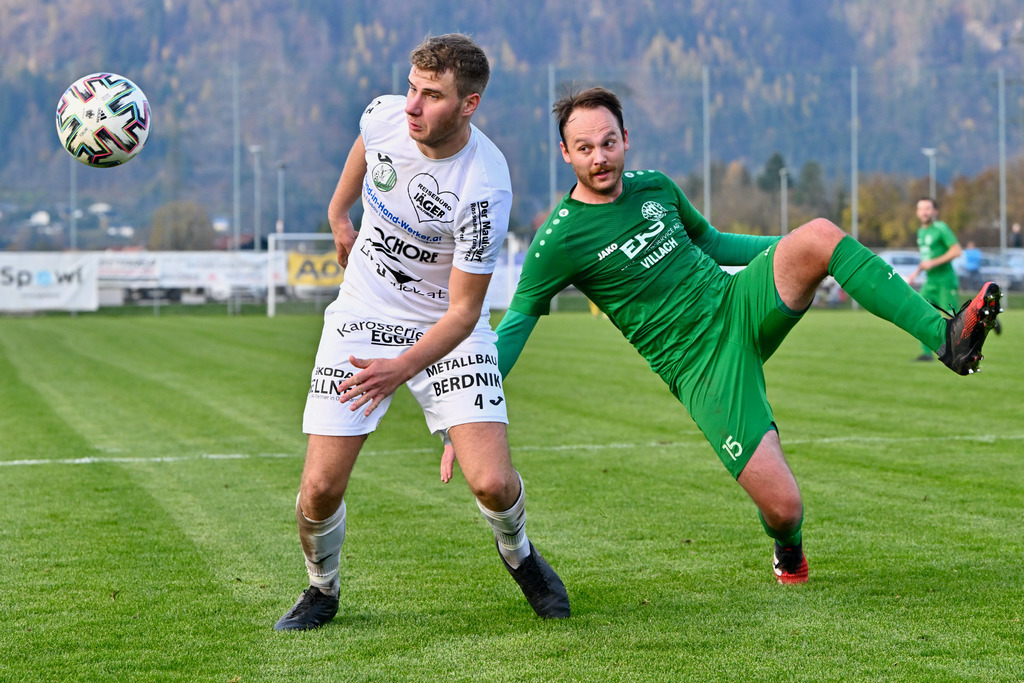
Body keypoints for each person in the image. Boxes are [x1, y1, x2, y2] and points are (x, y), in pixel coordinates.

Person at [443, 86, 1001, 586]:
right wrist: (466, 414)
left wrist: (802, 249)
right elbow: (515, 323)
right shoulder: (557, 240)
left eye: (608, 142)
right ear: (566, 154)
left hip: (738, 304)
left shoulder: (655, 187)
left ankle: (945, 336)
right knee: (785, 509)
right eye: (584, 148)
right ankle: (788, 551)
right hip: (702, 369)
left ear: (625, 140)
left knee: (822, 235)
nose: (599, 157)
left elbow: (712, 242)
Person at [274, 34, 569, 631]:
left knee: (489, 482)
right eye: (412, 87)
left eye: (431, 95)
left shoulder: (484, 184)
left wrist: (401, 367)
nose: (411, 105)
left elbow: (465, 312)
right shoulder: (387, 116)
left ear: (469, 105)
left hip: (445, 329)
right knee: (319, 490)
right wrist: (338, 213)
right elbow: (365, 146)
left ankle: (519, 553)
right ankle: (321, 590)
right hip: (362, 314)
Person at [907, 197, 962, 362]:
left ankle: (984, 322)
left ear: (934, 211)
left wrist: (933, 262)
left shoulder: (940, 228)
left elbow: (956, 251)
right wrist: (915, 273)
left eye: (928, 208)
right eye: (921, 208)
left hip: (945, 281)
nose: (924, 212)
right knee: (917, 311)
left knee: (955, 321)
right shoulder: (921, 232)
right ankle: (926, 353)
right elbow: (927, 260)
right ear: (917, 212)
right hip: (930, 283)